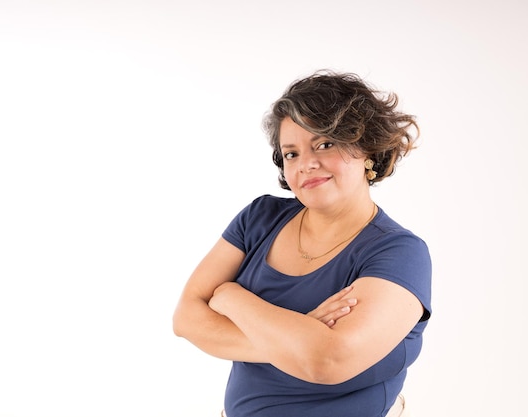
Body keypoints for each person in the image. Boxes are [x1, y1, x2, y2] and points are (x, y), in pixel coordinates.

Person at [172, 69, 432, 417]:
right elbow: (186, 318)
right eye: (291, 153)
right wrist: (295, 338)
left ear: (366, 147)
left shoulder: (399, 253)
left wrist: (231, 298)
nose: (306, 164)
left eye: (324, 144)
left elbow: (327, 360)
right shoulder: (260, 218)